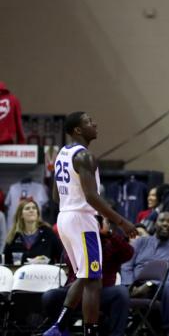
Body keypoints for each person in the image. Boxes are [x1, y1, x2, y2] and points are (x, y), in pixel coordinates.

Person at [44, 112, 137, 336]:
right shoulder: (85, 156)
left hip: (65, 216)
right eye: (88, 122)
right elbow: (91, 197)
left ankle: (58, 327)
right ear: (77, 130)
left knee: (85, 275)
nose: (94, 124)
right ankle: (90, 332)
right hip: (81, 219)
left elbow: (56, 195)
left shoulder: (62, 154)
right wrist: (121, 221)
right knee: (93, 281)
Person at [42, 215, 133, 336]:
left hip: (102, 292)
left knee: (121, 293)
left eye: (98, 222)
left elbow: (129, 253)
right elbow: (69, 259)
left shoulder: (112, 243)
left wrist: (109, 234)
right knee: (50, 296)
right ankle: (63, 331)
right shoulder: (78, 240)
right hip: (76, 292)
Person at [121, 211, 169, 335]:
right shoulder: (141, 242)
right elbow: (126, 265)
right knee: (115, 290)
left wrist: (150, 284)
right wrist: (129, 285)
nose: (165, 224)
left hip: (159, 290)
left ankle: (168, 330)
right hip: (134, 286)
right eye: (162, 220)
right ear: (155, 223)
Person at [4, 199, 63, 265]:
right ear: (21, 215)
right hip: (20, 273)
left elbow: (61, 257)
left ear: (37, 213)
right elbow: (6, 261)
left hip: (44, 273)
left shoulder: (48, 233)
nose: (31, 210)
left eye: (34, 208)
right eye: (27, 208)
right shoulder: (13, 236)